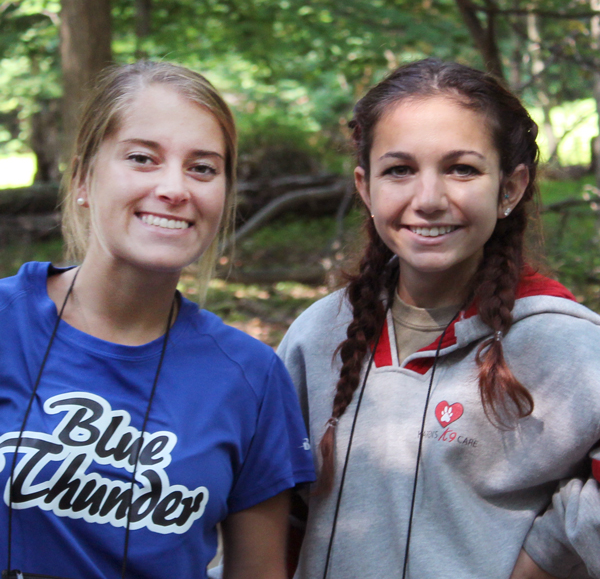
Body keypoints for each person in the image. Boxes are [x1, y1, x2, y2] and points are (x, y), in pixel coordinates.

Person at [277, 58, 600, 579]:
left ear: (510, 188)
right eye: (399, 169)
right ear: (365, 185)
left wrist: (545, 556)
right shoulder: (319, 335)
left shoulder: (567, 346)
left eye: (462, 169)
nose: (428, 200)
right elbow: (274, 508)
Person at [0, 60, 315, 579]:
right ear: (82, 177)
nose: (175, 188)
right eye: (143, 158)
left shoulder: (250, 378)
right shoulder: (8, 324)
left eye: (202, 168)